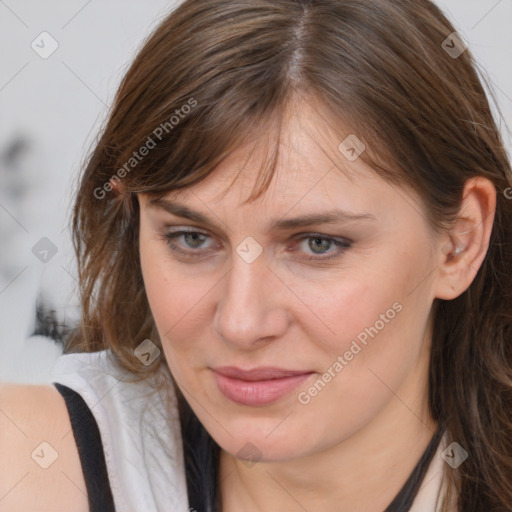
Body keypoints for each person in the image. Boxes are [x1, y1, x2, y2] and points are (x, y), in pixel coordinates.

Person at [1, 0, 511, 510]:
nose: (241, 323)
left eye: (318, 244)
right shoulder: (25, 468)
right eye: (192, 238)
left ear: (458, 243)